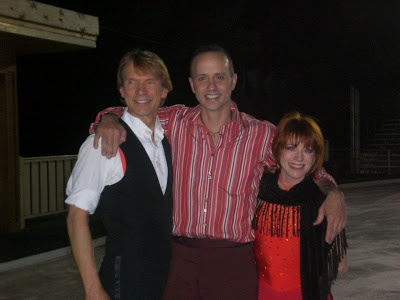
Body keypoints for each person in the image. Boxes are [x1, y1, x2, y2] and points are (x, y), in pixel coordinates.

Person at [90, 45, 346, 299]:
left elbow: (307, 165)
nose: (211, 87)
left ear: (233, 81)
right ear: (192, 84)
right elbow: (134, 111)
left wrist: (333, 192)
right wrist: (109, 119)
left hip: (233, 261)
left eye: (219, 77)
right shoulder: (173, 122)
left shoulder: (259, 134)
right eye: (203, 78)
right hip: (178, 258)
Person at [66, 49, 174, 299]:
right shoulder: (103, 144)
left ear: (164, 90)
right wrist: (93, 290)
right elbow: (75, 218)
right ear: (122, 90)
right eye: (132, 82)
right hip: (123, 282)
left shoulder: (165, 141)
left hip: (161, 279)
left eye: (150, 82)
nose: (141, 91)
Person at [253, 112, 348, 300]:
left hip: (306, 294)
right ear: (277, 150)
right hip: (262, 293)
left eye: (308, 150)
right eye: (291, 148)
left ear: (316, 157)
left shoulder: (322, 198)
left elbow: (339, 265)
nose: (299, 158)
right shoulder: (256, 191)